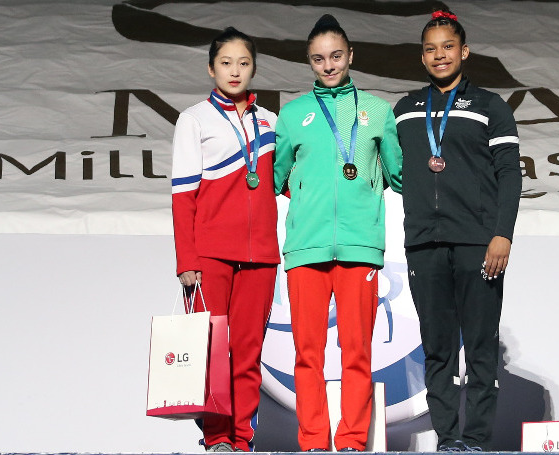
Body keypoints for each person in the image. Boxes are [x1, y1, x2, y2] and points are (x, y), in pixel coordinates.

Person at [393, 9, 522, 453]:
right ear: (422, 56)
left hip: (478, 243)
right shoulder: (405, 110)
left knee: (481, 345)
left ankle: (477, 439)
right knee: (438, 347)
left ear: (464, 51)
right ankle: (448, 438)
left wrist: (502, 234)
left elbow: (510, 174)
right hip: (424, 244)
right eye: (431, 49)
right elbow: (388, 167)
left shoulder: (490, 106)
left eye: (448, 46)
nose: (440, 55)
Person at [273, 14, 402, 452]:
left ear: (350, 56)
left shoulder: (378, 111)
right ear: (309, 62)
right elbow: (277, 177)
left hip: (359, 247)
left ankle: (350, 442)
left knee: (357, 352)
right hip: (306, 248)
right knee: (307, 355)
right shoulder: (293, 114)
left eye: (336, 56)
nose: (328, 66)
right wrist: (308, 197)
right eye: (318, 59)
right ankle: (313, 442)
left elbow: (398, 174)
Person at [171, 27, 279, 453]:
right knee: (211, 352)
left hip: (261, 256)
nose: (235, 71)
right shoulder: (194, 119)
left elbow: (287, 183)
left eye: (244, 63)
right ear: (211, 68)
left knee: (248, 354)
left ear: (254, 68)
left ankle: (242, 439)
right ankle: (216, 437)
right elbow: (183, 196)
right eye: (226, 62)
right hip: (210, 255)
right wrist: (187, 260)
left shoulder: (270, 121)